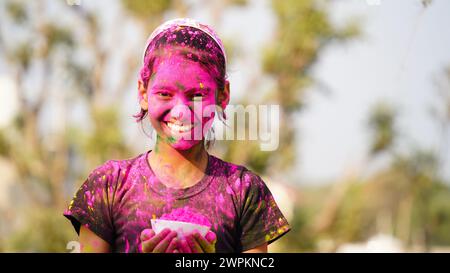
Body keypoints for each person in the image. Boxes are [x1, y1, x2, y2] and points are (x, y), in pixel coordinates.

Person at [64, 18, 290, 253]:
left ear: (222, 95)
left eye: (197, 95)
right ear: (143, 92)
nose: (181, 112)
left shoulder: (244, 191)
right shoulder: (107, 187)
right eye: (164, 93)